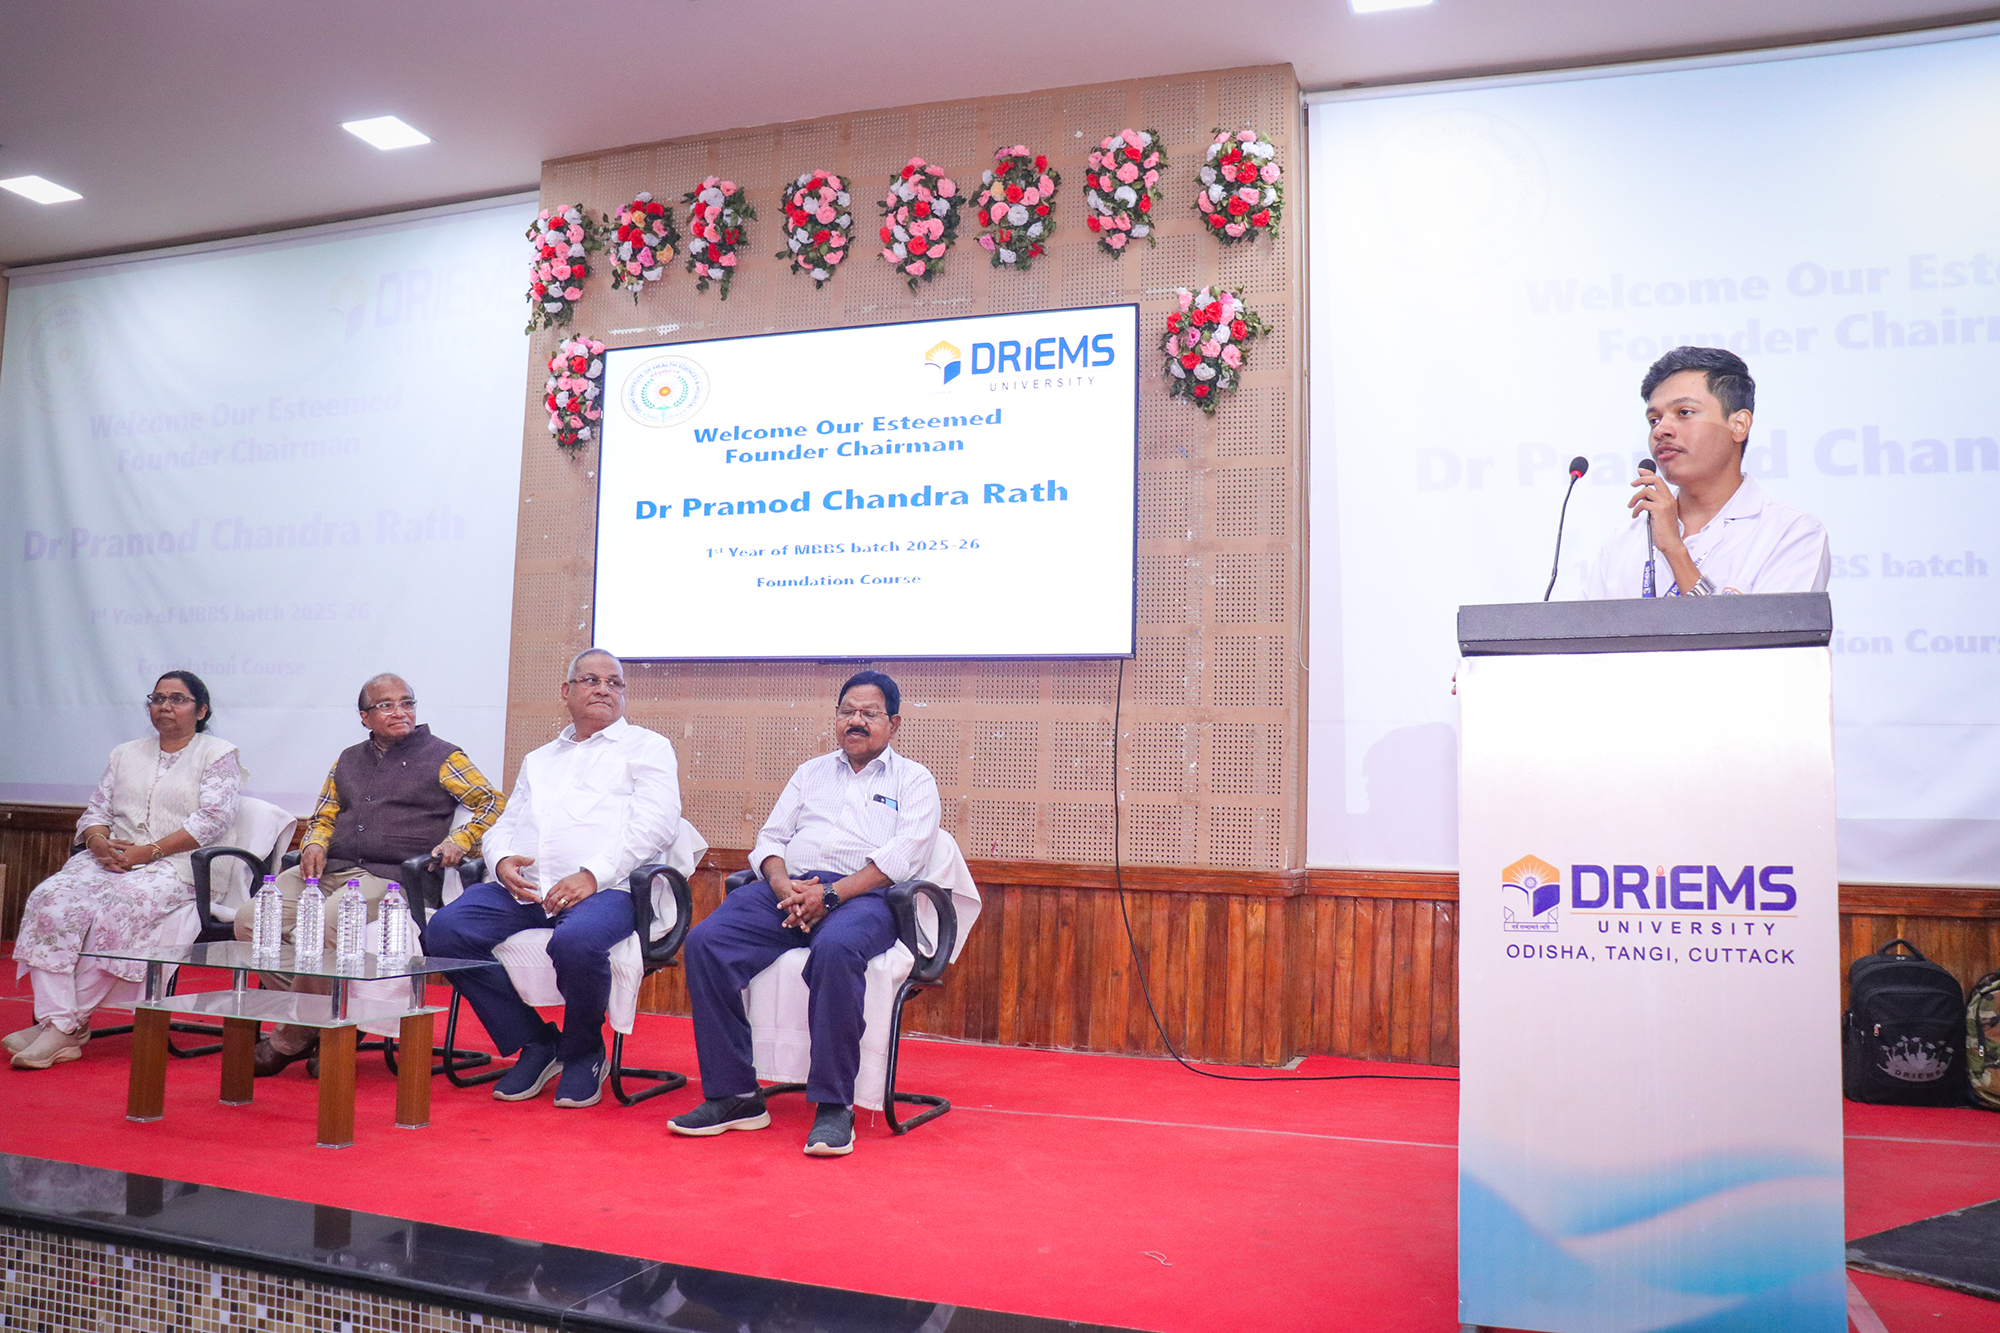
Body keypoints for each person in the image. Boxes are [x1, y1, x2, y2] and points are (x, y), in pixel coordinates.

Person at [670, 669, 940, 1157]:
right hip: (790, 888)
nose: (856, 721)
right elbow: (770, 840)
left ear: (894, 723)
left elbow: (904, 856)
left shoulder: (914, 780)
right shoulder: (810, 773)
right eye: (847, 711)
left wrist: (830, 897)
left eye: (869, 713)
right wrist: (784, 887)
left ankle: (835, 1105)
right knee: (706, 944)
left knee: (835, 950)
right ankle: (735, 1095)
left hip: (863, 897)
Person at [422, 649, 681, 1109]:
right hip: (528, 887)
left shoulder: (647, 748)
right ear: (566, 691)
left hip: (608, 889)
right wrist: (502, 860)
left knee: (577, 942)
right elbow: (504, 824)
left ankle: (583, 1052)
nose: (604, 689)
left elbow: (656, 825)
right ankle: (537, 1042)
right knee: (444, 931)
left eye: (614, 682)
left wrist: (592, 875)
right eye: (591, 680)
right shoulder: (540, 759)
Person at [234, 672, 505, 1077]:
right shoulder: (348, 758)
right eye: (386, 705)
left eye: (407, 703)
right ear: (364, 717)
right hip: (333, 866)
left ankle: (292, 1035)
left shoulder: (443, 756)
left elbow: (493, 802)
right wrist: (313, 844)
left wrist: (461, 840)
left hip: (392, 875)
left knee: (331, 919)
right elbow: (324, 815)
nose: (400, 712)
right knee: (251, 920)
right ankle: (322, 1020)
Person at [6, 672, 244, 1070]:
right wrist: (98, 843)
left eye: (178, 699)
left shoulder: (218, 754)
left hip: (179, 865)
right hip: (111, 857)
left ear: (201, 710)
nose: (165, 706)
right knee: (49, 900)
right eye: (158, 698)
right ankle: (60, 1022)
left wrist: (148, 852)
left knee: (119, 907)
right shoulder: (125, 753)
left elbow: (212, 821)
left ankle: (60, 1026)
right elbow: (96, 812)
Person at [1583, 346, 1830, 599]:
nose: (1661, 430)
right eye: (1654, 420)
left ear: (1739, 425)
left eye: (1684, 413)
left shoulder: (1791, 532)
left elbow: (1768, 626)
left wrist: (1674, 550)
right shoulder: (1622, 542)